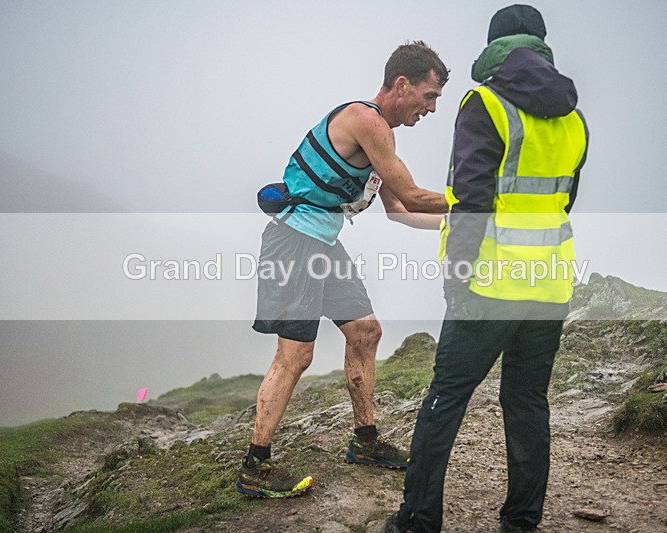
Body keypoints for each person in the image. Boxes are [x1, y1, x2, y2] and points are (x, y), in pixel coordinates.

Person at [385, 5, 589, 532]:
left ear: (495, 48)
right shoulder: (573, 117)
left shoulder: (485, 103)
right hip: (550, 284)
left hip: (490, 283)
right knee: (527, 401)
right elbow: (563, 200)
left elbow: (471, 201)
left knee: (446, 398)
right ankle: (521, 521)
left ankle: (417, 521)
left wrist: (458, 275)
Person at [236, 41, 450, 499]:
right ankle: (255, 467)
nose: (431, 108)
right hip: (293, 242)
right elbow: (413, 195)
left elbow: (399, 211)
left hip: (322, 245)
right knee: (295, 356)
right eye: (429, 96)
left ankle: (365, 442)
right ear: (402, 84)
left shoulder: (379, 136)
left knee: (365, 331)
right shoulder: (365, 120)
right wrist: (485, 201)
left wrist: (467, 224)